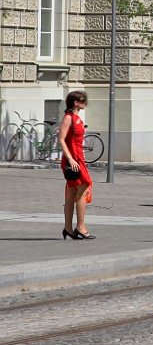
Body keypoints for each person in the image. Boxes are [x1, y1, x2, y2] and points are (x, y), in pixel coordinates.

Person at [58, 90, 95, 240]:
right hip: (73, 160)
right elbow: (61, 139)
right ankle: (80, 227)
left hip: (78, 158)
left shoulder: (76, 117)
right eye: (82, 100)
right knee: (84, 187)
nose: (85, 103)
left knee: (72, 193)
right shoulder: (68, 118)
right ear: (76, 102)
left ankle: (68, 228)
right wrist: (71, 159)